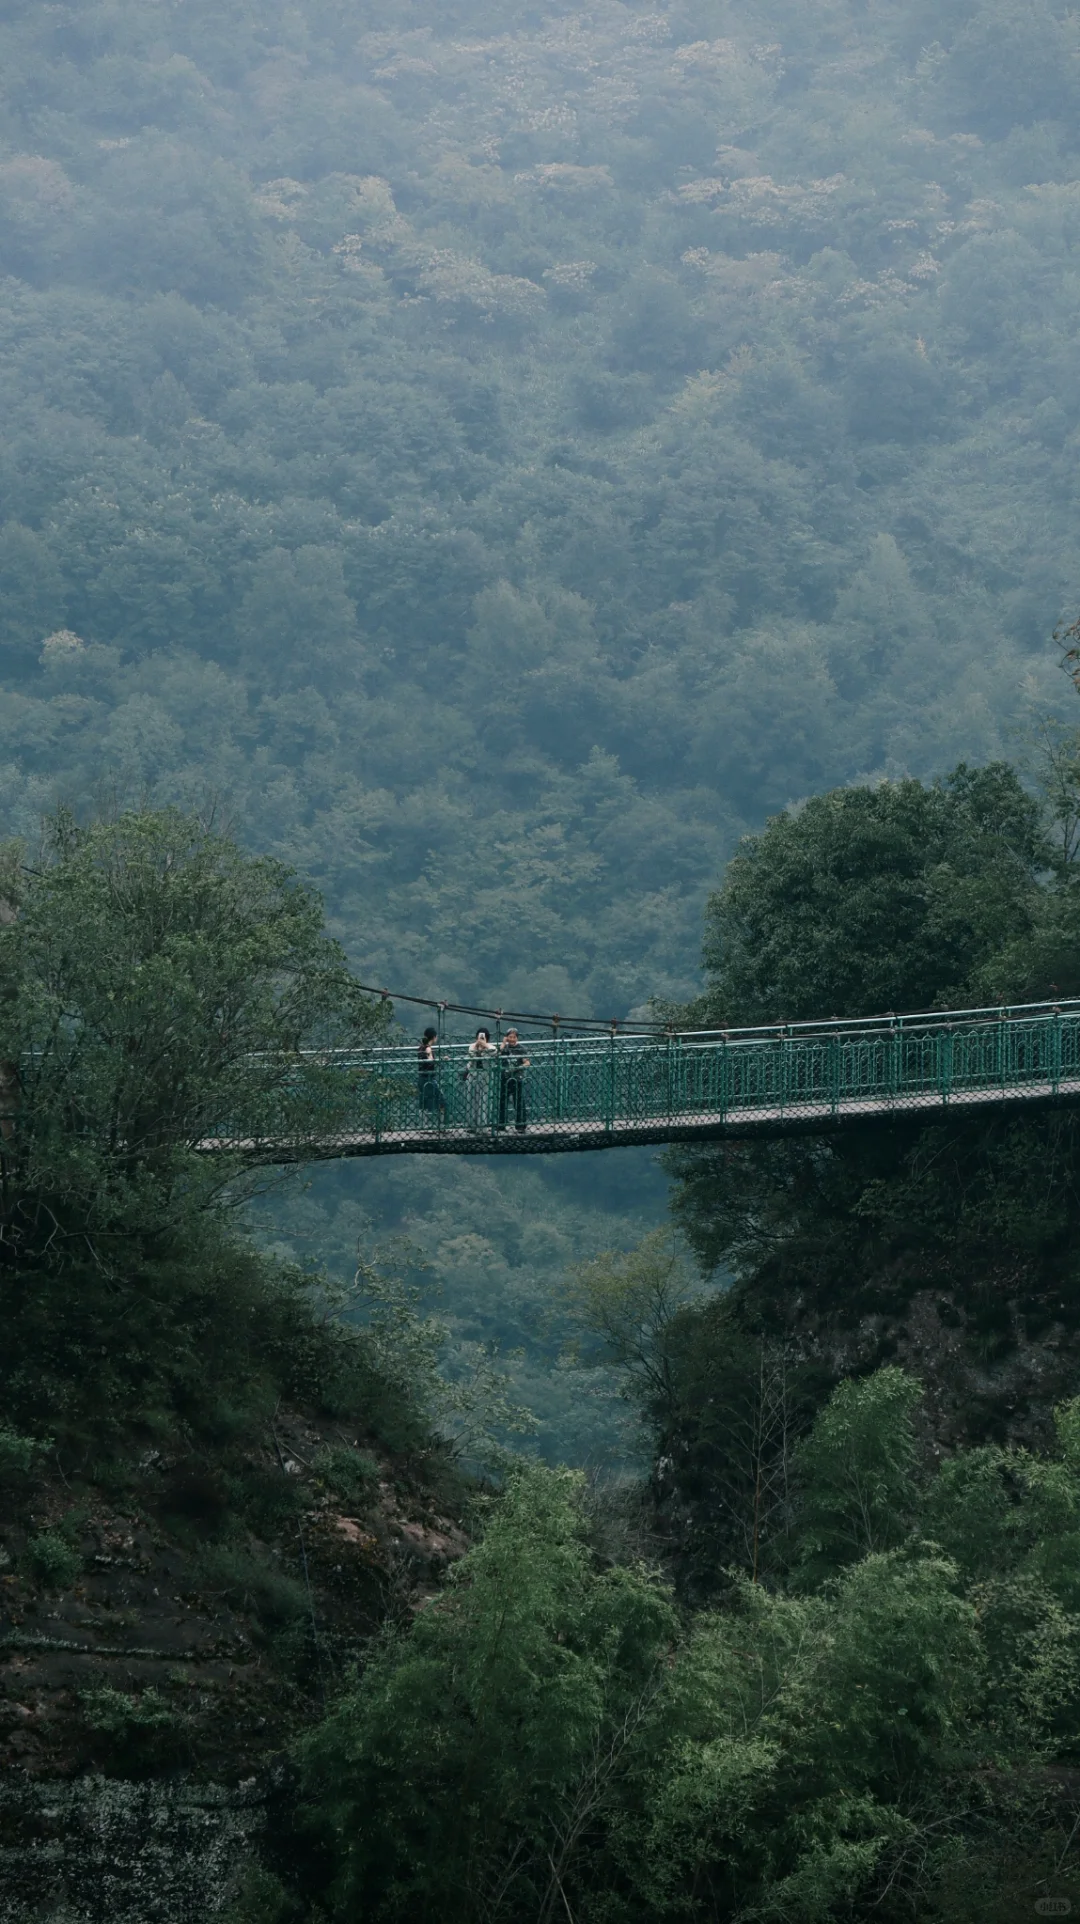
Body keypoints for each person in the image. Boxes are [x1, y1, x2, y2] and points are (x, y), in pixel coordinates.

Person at [498, 1028, 530, 1132]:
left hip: (517, 1078)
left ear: (517, 1038)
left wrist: (517, 1068)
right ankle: (501, 1124)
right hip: (505, 1078)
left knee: (519, 1102)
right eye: (510, 1037)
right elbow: (497, 1055)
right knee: (502, 1101)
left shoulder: (521, 1049)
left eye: (514, 1037)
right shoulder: (504, 1048)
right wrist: (503, 1044)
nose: (512, 1039)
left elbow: (527, 1062)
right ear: (506, 1037)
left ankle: (520, 1125)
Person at [465, 1026, 497, 1129]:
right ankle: (471, 1125)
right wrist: (477, 1046)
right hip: (473, 1075)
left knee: (484, 1101)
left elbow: (494, 1051)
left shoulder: (490, 1047)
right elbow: (471, 1055)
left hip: (486, 1076)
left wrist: (485, 1045)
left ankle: (482, 1125)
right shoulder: (472, 1046)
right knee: (471, 1100)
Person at [417, 1026, 447, 1124]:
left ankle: (423, 1125)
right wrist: (441, 1060)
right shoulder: (428, 1048)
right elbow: (430, 1061)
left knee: (423, 1102)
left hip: (421, 1078)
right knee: (441, 1100)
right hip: (429, 1078)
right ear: (434, 1037)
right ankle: (442, 1124)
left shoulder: (420, 1047)